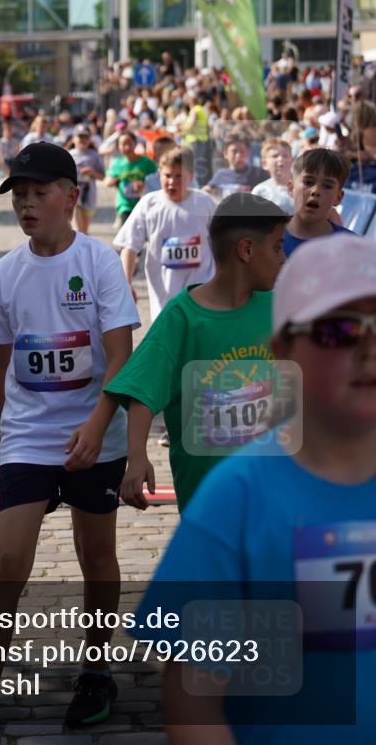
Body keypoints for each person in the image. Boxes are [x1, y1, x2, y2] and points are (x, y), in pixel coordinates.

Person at [136, 234, 376, 744]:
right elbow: (194, 697)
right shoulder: (239, 498)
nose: (369, 349)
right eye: (340, 331)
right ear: (283, 350)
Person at [0, 142, 140, 744]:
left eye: (39, 193)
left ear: (71, 197)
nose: (27, 205)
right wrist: (6, 440)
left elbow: (120, 356)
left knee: (96, 557)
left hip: (95, 434)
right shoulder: (5, 272)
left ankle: (95, 672)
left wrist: (97, 423)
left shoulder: (101, 261)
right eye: (20, 196)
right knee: (8, 560)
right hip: (30, 438)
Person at [105, 194, 290, 512]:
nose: (284, 258)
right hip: (209, 500)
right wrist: (136, 457)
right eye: (277, 246)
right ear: (246, 250)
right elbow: (142, 390)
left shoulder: (282, 308)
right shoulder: (182, 317)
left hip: (276, 489)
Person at [114, 146, 216, 321]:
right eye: (167, 176)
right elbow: (129, 246)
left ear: (191, 177)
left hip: (202, 289)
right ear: (159, 174)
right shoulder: (149, 204)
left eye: (179, 176)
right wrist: (126, 284)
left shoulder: (205, 203)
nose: (172, 182)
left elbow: (223, 242)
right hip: (164, 295)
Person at [284, 148, 356, 257]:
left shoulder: (353, 248)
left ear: (338, 197)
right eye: (308, 182)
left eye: (327, 186)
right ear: (291, 188)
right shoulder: (265, 238)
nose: (316, 191)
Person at [106, 130, 157, 227]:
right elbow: (108, 180)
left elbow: (156, 180)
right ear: (118, 146)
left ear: (135, 143)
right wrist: (112, 181)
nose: (127, 147)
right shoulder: (117, 163)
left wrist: (144, 185)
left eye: (129, 143)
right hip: (125, 204)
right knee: (127, 231)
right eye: (123, 144)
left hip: (143, 204)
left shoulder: (147, 162)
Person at [204, 135, 267, 200]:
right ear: (225, 154)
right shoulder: (220, 175)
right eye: (234, 151)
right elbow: (207, 191)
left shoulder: (258, 174)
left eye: (242, 151)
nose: (238, 155)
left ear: (247, 153)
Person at [69, 124, 105, 235]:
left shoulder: (94, 155)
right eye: (80, 137)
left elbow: (103, 177)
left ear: (90, 139)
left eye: (86, 137)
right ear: (73, 139)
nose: (83, 140)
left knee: (84, 231)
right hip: (73, 193)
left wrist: (92, 172)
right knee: (77, 229)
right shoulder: (69, 154)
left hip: (89, 195)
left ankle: (84, 249)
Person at [252, 137, 295, 214]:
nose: (280, 159)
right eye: (275, 156)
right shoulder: (260, 191)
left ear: (292, 160)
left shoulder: (303, 187)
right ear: (264, 164)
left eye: (285, 156)